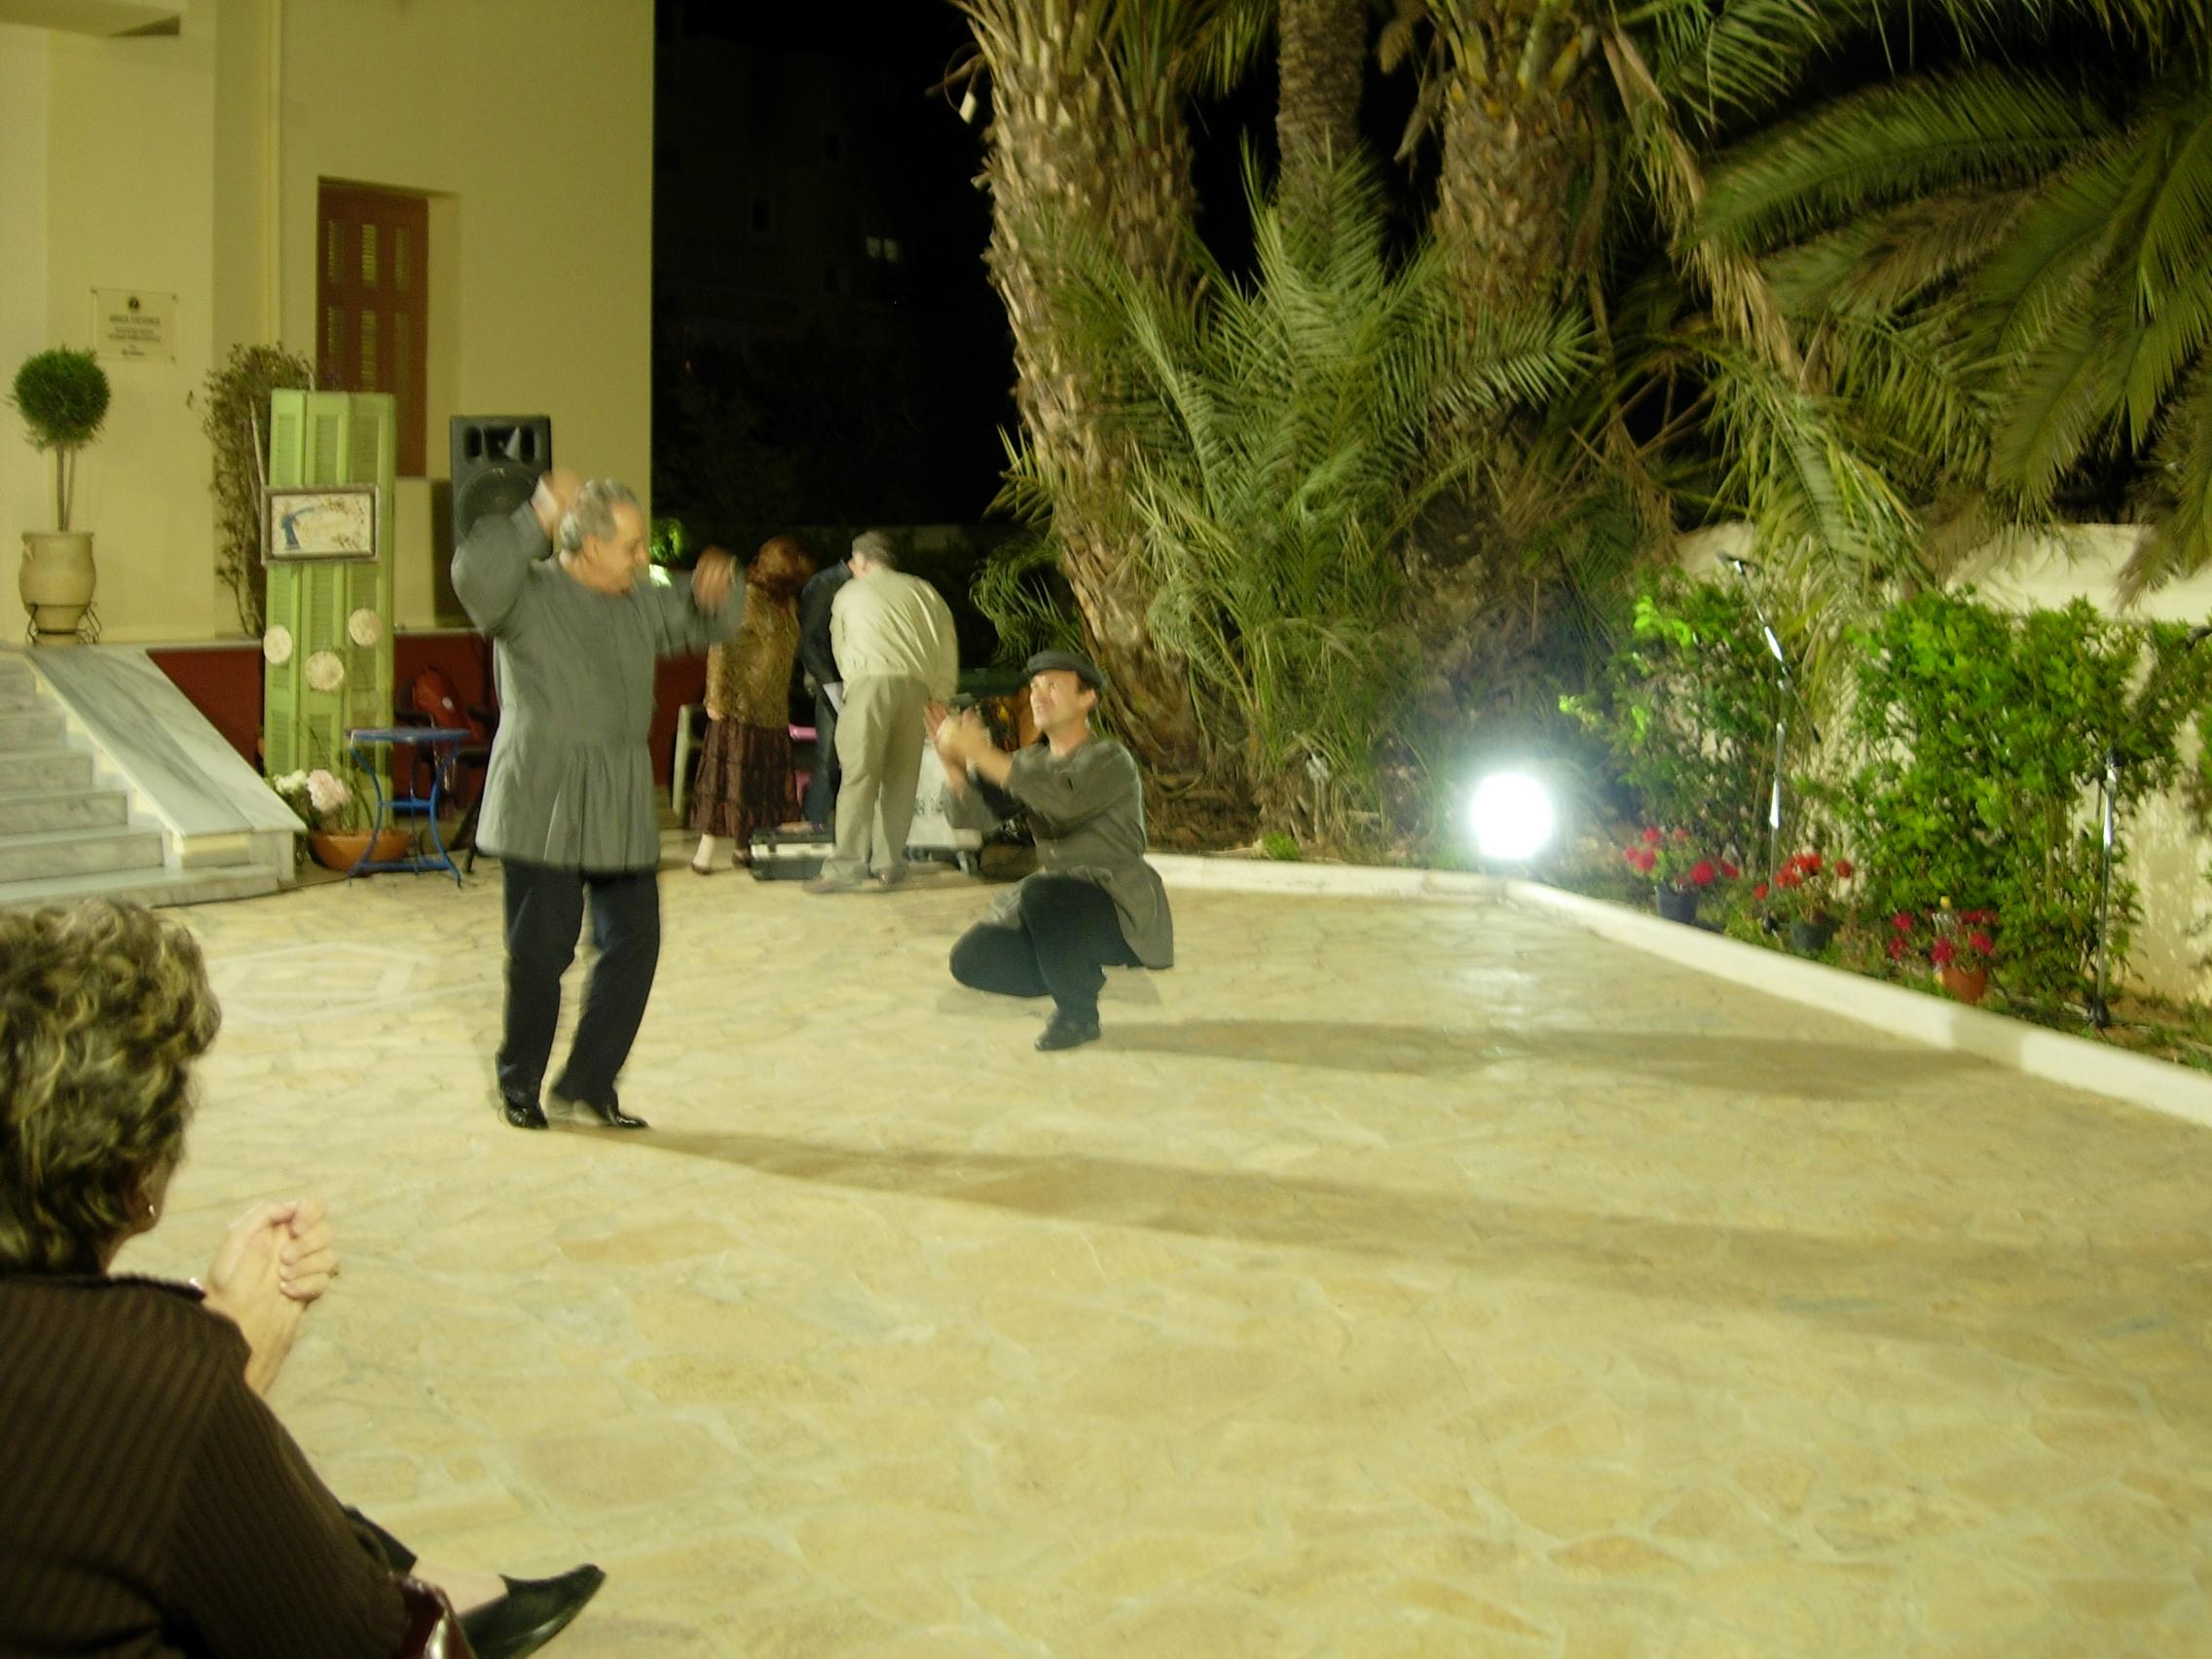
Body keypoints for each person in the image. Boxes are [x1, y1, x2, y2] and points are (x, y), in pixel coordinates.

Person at [0, 900, 604, 1659]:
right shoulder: (157, 1385)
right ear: (136, 1178)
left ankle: (436, 1576)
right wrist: (218, 1378)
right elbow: (369, 1644)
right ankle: (444, 1593)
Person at [454, 470, 741, 1131]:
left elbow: (714, 615)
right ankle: (519, 1082)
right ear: (587, 546)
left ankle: (589, 1081)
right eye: (632, 546)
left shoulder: (639, 598)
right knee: (540, 954)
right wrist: (536, 513)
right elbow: (474, 576)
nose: (644, 558)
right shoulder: (525, 596)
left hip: (619, 793)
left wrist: (721, 584)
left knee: (635, 943)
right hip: (543, 793)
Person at [931, 649, 1174, 1050]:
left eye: (1053, 686)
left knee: (1043, 892)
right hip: (1056, 905)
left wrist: (981, 752)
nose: (1038, 696)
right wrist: (953, 765)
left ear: (1087, 698)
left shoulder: (1110, 759)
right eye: (1034, 687)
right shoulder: (1031, 761)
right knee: (971, 960)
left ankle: (1079, 1016)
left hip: (1115, 906)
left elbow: (1063, 802)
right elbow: (971, 818)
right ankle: (1073, 972)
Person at [806, 531, 959, 894]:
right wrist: (941, 695)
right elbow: (946, 645)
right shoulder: (925, 591)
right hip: (917, 689)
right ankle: (889, 864)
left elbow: (841, 647)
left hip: (868, 685)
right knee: (901, 781)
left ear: (861, 561)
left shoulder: (849, 593)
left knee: (858, 777)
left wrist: (852, 689)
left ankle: (845, 867)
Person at [688, 535, 815, 873]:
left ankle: (744, 846)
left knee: (759, 784)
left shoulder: (785, 603)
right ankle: (704, 852)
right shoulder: (745, 598)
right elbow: (720, 646)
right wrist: (715, 697)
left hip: (772, 707)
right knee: (726, 781)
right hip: (739, 705)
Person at [795, 546, 854, 828]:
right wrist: (831, 685)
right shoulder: (826, 584)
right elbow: (808, 641)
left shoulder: (839, 583)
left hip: (845, 679)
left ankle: (825, 823)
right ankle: (815, 823)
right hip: (833, 680)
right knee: (828, 757)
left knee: (835, 757)